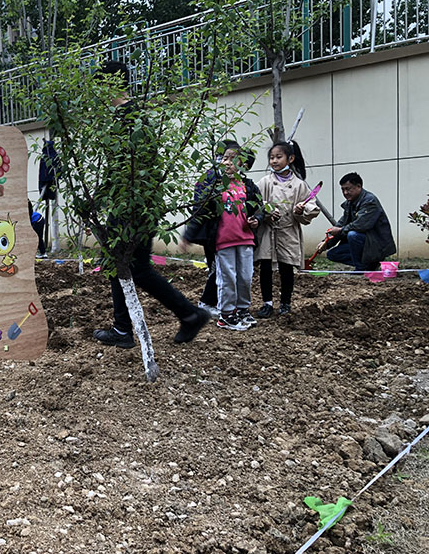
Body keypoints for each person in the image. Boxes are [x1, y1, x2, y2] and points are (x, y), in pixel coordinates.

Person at [92, 61, 210, 348]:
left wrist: (102, 196)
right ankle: (124, 327)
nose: (95, 93)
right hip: (135, 204)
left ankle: (188, 314)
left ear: (110, 84)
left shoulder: (130, 118)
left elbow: (126, 169)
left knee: (135, 267)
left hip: (132, 207)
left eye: (98, 85)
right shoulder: (132, 116)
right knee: (118, 263)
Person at [182, 144, 263, 331]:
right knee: (227, 278)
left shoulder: (249, 187)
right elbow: (200, 211)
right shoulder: (215, 186)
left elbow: (259, 209)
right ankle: (226, 314)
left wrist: (257, 219)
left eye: (231, 159)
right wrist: (188, 235)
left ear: (243, 164)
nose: (226, 162)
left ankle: (242, 310)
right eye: (224, 158)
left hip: (246, 240)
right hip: (223, 241)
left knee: (245, 277)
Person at [254, 140, 319, 318]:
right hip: (268, 231)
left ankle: (285, 303)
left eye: (278, 157)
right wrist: (267, 211)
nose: (274, 161)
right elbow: (255, 202)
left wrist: (301, 210)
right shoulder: (265, 182)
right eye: (271, 158)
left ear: (290, 158)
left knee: (286, 268)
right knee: (265, 267)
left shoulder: (299, 185)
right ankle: (267, 303)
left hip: (288, 232)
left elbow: (310, 208)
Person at [324, 172, 396, 270]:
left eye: (348, 189)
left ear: (359, 186)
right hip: (364, 244)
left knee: (353, 235)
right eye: (343, 189)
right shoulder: (350, 203)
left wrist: (340, 230)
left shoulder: (369, 201)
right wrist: (325, 243)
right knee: (332, 254)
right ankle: (369, 265)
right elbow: (341, 224)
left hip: (376, 245)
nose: (345, 193)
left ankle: (361, 268)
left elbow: (361, 225)